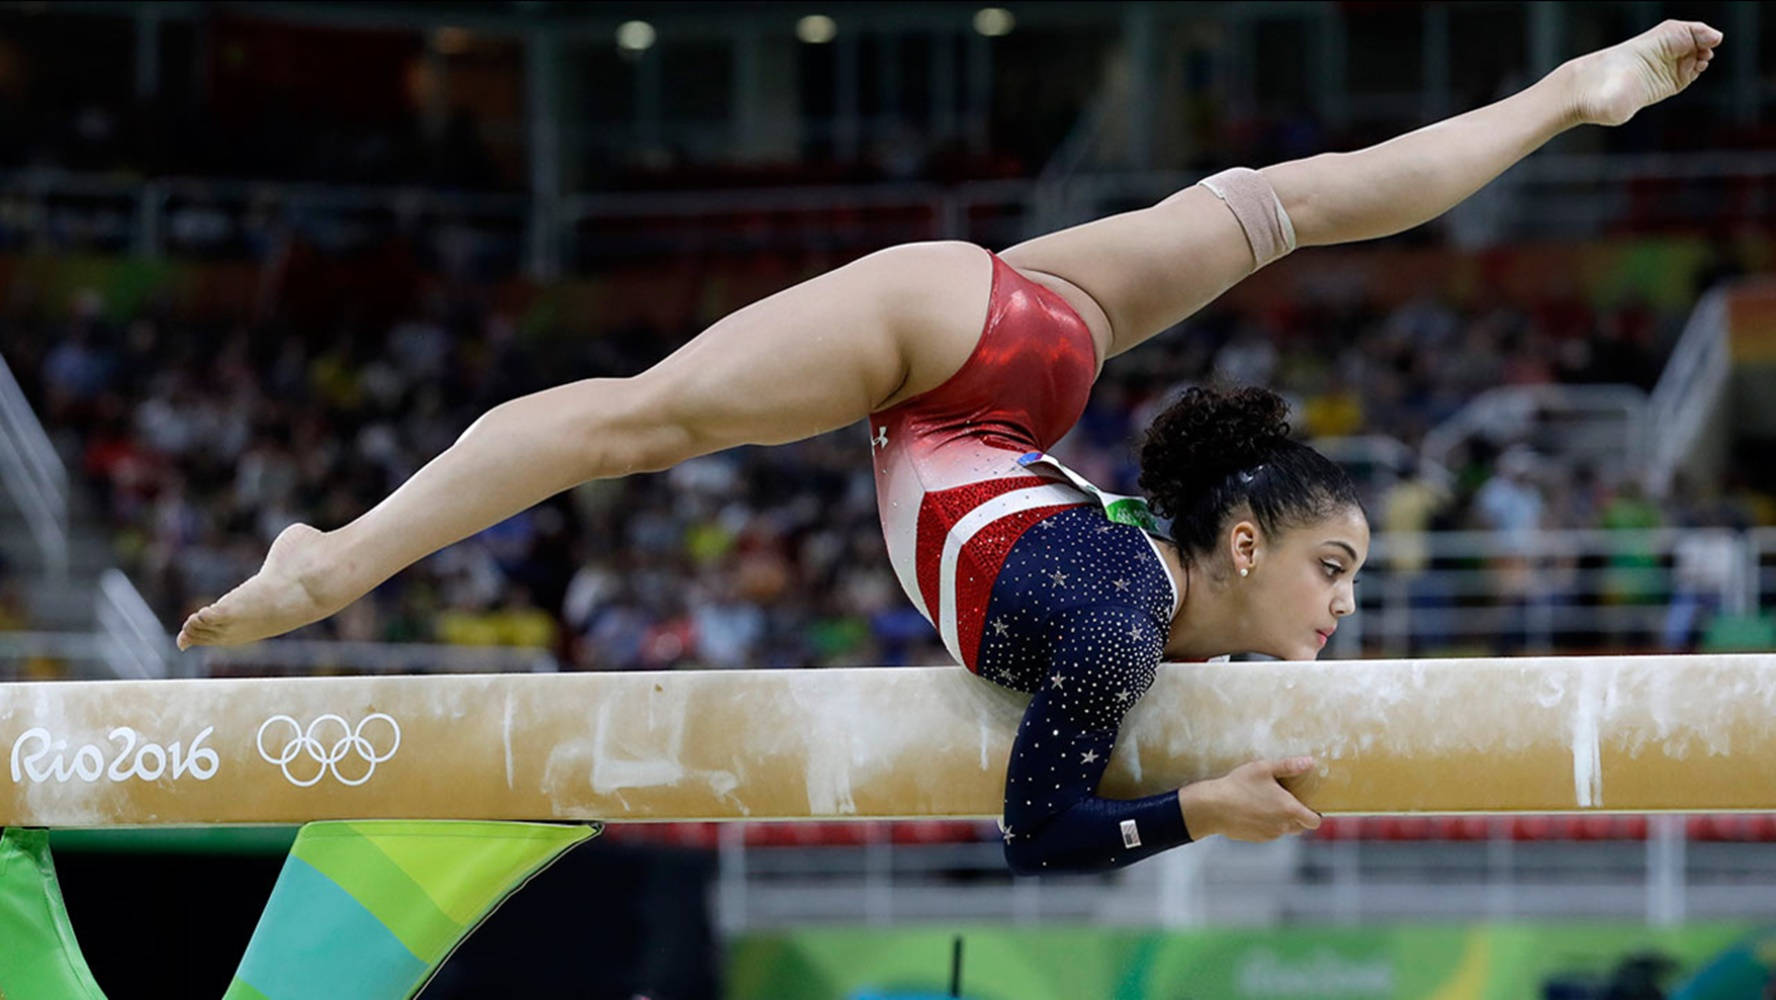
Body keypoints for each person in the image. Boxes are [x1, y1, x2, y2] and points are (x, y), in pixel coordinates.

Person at [175, 22, 1723, 872]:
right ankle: (338, 558)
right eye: (1335, 566)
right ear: (1239, 544)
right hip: (953, 367)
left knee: (1290, 206)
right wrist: (1208, 807)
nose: (1345, 605)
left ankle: (1569, 92)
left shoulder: (1144, 602)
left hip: (1017, 367)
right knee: (624, 421)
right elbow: (1041, 831)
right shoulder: (1124, 622)